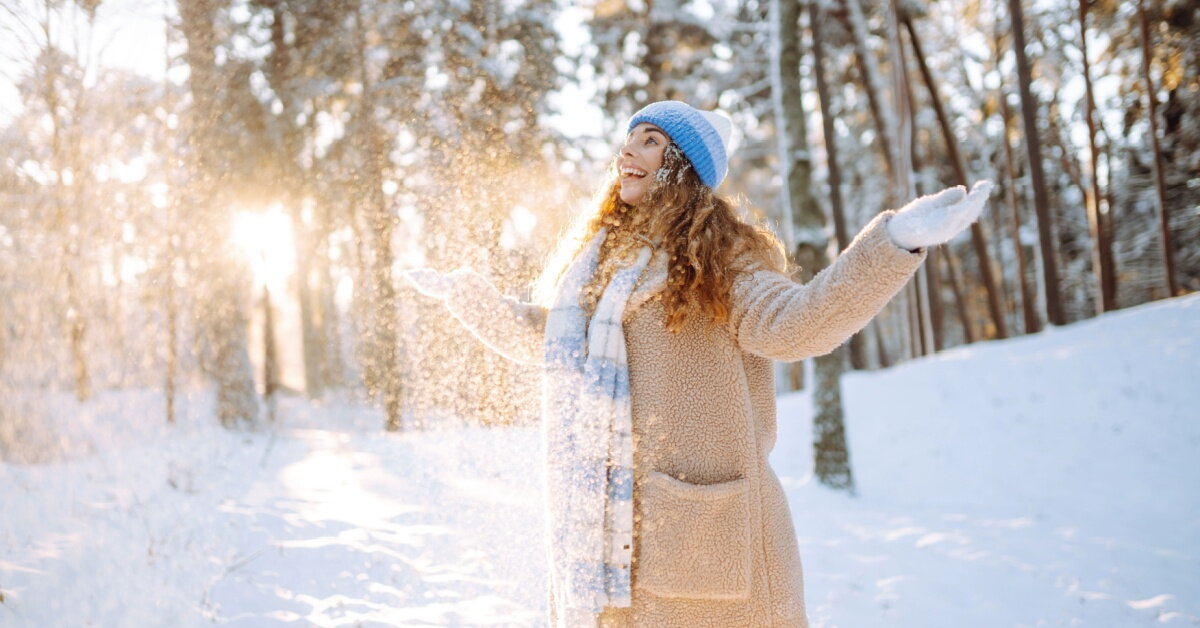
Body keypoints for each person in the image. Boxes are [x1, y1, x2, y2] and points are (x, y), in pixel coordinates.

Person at [405, 100, 991, 628]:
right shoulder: (604, 265)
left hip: (709, 542)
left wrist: (894, 243)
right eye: (630, 137)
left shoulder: (724, 263)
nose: (628, 150)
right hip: (611, 546)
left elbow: (799, 323)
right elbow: (556, 342)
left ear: (682, 165)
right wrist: (468, 298)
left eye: (652, 140)